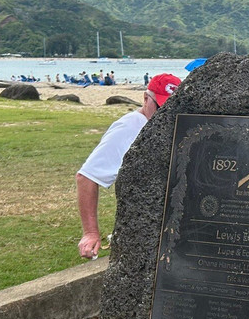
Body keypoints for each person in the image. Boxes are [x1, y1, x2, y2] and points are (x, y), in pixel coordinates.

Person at [76, 73, 181, 259]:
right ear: (146, 98)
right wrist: (90, 233)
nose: (165, 115)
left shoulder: (174, 125)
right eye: (160, 107)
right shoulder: (129, 127)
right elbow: (87, 177)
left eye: (172, 108)